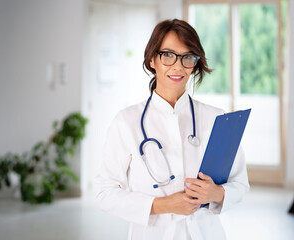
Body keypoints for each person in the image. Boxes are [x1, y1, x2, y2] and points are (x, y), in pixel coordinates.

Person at [95, 19, 249, 240]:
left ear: (195, 63)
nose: (178, 66)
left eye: (187, 57)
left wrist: (217, 193)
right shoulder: (126, 122)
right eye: (168, 55)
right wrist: (161, 205)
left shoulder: (216, 118)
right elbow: (104, 192)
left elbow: (240, 183)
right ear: (152, 60)